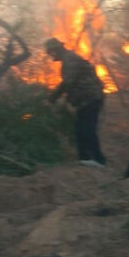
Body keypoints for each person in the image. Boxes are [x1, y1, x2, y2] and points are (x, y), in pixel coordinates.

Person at [45, 37, 106, 166]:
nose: (51, 55)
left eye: (51, 52)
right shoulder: (69, 58)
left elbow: (68, 83)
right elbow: (68, 83)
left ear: (56, 50)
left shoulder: (69, 60)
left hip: (90, 97)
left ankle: (98, 159)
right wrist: (53, 98)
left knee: (87, 128)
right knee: (80, 128)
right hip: (87, 98)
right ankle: (85, 158)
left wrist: (55, 99)